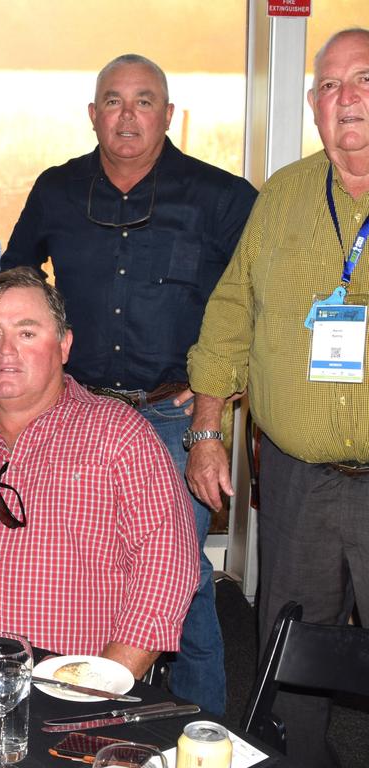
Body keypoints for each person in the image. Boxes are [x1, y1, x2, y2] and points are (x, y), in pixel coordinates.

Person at [0, 54, 256, 714]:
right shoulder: (57, 190)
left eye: (144, 101)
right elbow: (15, 286)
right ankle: (82, 716)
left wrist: (214, 396)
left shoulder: (221, 197)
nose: (128, 115)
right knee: (74, 568)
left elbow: (257, 306)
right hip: (78, 416)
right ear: (93, 115)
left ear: (168, 115)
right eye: (113, 101)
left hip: (172, 418)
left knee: (183, 580)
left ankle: (202, 727)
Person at [186, 28, 369, 767]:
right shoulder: (287, 195)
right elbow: (231, 313)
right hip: (297, 478)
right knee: (289, 640)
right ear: (312, 106)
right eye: (327, 87)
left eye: (362, 79)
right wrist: (205, 430)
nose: (345, 99)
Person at [0, 268, 198, 679]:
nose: (6, 350)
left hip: (73, 689)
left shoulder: (120, 435)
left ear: (64, 345)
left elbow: (166, 564)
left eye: (26, 333)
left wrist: (105, 678)